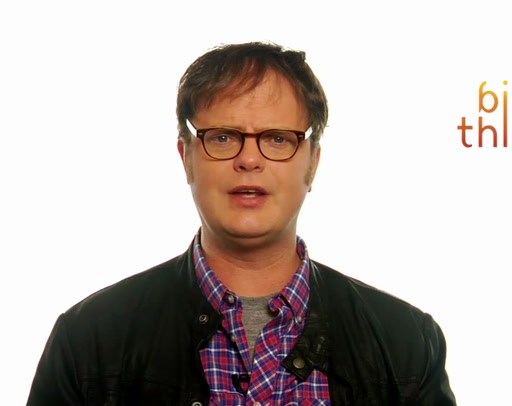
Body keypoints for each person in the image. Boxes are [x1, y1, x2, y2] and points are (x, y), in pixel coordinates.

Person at [27, 41, 456, 405]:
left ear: (312, 164)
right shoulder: (88, 341)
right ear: (186, 157)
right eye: (223, 137)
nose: (249, 159)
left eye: (277, 139)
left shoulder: (407, 344)